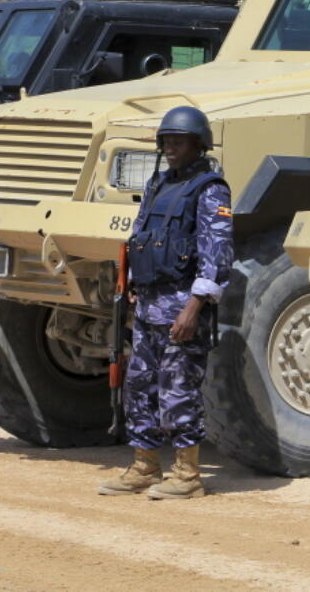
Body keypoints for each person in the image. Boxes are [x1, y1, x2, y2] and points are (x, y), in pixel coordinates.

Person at [98, 105, 233, 499]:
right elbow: (141, 236)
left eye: (179, 140)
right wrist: (136, 286)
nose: (171, 147)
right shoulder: (157, 183)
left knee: (178, 390)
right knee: (140, 387)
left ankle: (188, 475)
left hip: (182, 309)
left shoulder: (210, 189)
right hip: (149, 306)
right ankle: (144, 467)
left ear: (198, 143)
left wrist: (195, 307)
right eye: (166, 140)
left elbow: (217, 253)